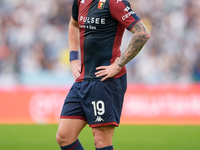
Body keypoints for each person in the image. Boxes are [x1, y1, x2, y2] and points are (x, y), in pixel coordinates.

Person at [56, 0, 150, 149]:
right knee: (64, 137)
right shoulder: (80, 1)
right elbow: (73, 24)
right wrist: (73, 58)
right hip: (83, 79)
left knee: (101, 141)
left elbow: (142, 33)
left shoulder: (114, 2)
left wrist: (118, 64)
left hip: (105, 80)